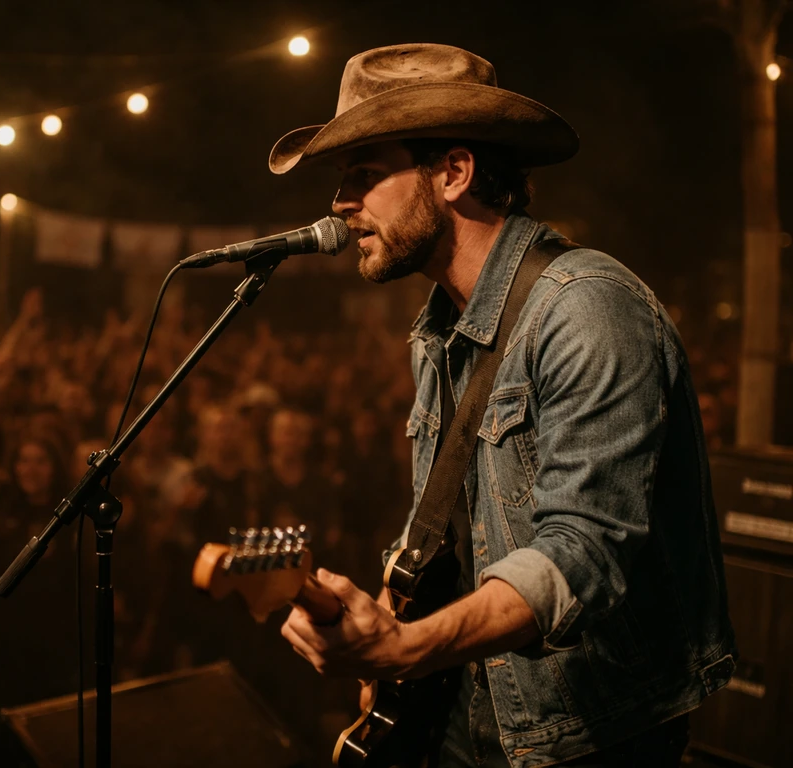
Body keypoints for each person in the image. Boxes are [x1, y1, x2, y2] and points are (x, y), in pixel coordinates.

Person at [273, 44, 735, 767]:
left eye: (364, 174)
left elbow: (583, 551)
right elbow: (455, 534)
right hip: (468, 712)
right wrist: (382, 624)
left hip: (585, 734)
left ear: (453, 173)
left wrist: (408, 647)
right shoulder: (437, 332)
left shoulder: (588, 308)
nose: (339, 204)